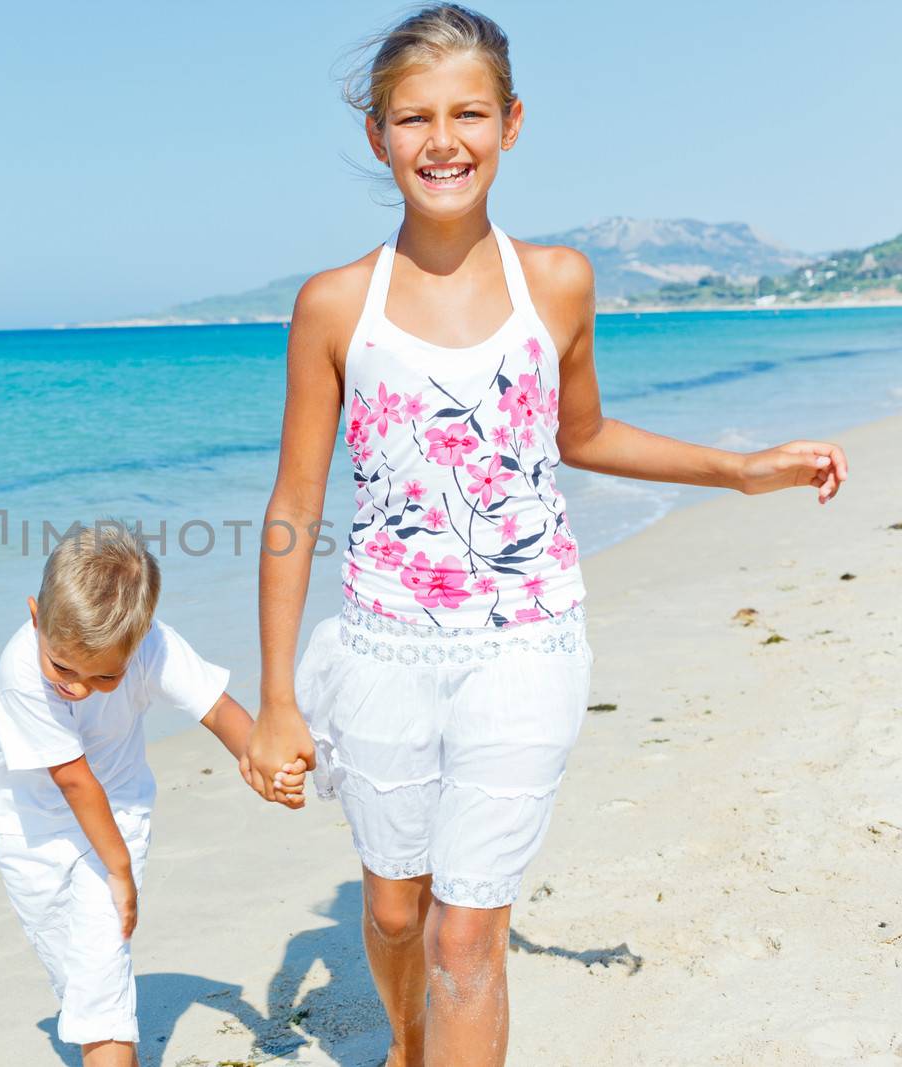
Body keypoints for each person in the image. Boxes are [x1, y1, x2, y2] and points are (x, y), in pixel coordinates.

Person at [241, 6, 850, 1065]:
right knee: (394, 919)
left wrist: (738, 469)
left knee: (466, 932)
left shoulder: (558, 281)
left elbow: (582, 433)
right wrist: (278, 699)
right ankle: (406, 1041)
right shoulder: (335, 305)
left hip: (526, 645)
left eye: (468, 113)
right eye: (412, 118)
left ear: (510, 123)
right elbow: (295, 502)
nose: (443, 140)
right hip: (382, 650)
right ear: (378, 133)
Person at [0, 522, 306, 1067]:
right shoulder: (20, 669)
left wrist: (260, 760)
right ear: (37, 617)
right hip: (30, 830)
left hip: (117, 814)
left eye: (103, 677)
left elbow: (217, 708)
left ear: (141, 637)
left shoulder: (152, 645)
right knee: (77, 979)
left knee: (101, 983)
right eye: (62, 667)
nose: (77, 688)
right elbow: (74, 780)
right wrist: (122, 872)